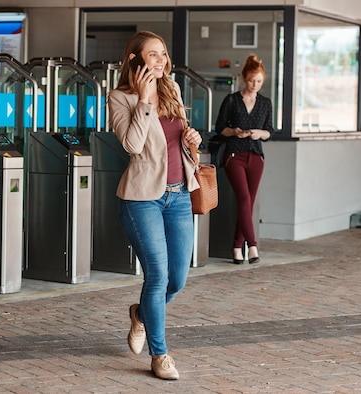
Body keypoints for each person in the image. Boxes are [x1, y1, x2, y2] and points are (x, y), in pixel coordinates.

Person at [108, 31, 202, 380]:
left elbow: (179, 137)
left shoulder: (172, 89)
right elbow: (133, 145)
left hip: (178, 195)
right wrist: (144, 100)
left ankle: (141, 315)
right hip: (141, 199)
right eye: (153, 54)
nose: (161, 60)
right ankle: (160, 355)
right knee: (158, 276)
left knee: (177, 279)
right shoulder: (119, 98)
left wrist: (192, 139)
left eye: (163, 53)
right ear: (135, 59)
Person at [214, 54, 272, 265]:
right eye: (251, 81)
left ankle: (237, 247)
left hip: (256, 156)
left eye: (259, 81)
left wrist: (259, 133)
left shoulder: (265, 103)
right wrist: (234, 131)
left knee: (247, 203)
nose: (255, 85)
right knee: (244, 200)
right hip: (234, 155)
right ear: (243, 78)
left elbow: (270, 131)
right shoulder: (231, 100)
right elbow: (220, 128)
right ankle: (253, 246)